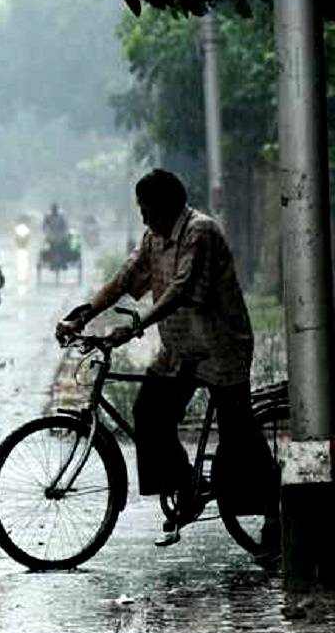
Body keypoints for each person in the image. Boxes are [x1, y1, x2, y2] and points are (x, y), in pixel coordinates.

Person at [56, 169, 278, 554]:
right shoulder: (153, 238)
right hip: (180, 348)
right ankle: (185, 487)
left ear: (169, 205)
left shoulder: (199, 232)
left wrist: (135, 326)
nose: (143, 217)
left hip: (220, 346)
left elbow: (181, 289)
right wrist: (84, 315)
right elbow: (125, 278)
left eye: (148, 209)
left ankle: (276, 509)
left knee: (238, 434)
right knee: (150, 413)